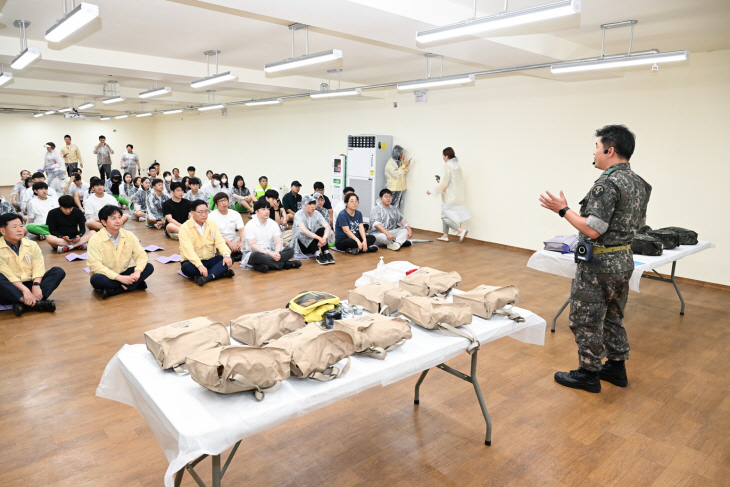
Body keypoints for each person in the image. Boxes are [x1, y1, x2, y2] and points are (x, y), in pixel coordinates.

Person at [539, 125, 652, 393]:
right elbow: (639, 226)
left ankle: (588, 373)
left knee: (585, 319)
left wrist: (562, 210)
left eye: (596, 147)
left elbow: (592, 228)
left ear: (609, 150)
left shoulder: (607, 184)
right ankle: (616, 367)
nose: (594, 152)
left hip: (599, 266)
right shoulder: (640, 184)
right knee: (613, 316)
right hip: (624, 261)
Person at [0, 213, 65, 316]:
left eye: (21, 226)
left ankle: (25, 304)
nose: (20, 229)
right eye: (14, 227)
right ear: (3, 231)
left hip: (30, 283)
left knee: (58, 271)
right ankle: (37, 303)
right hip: (11, 287)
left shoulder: (32, 244)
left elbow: (38, 266)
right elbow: (7, 274)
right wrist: (25, 291)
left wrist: (36, 285)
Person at [87, 205, 154, 299]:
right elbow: (95, 265)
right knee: (96, 279)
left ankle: (118, 289)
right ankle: (135, 284)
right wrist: (120, 278)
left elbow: (141, 255)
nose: (118, 221)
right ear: (103, 222)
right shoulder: (95, 239)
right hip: (106, 275)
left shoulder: (129, 235)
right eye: (113, 218)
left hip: (123, 272)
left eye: (119, 217)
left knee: (148, 267)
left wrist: (137, 273)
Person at [178, 199, 234, 286]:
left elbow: (220, 242)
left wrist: (226, 255)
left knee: (229, 259)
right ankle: (218, 273)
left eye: (206, 211)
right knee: (186, 268)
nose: (204, 215)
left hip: (210, 259)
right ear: (192, 213)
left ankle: (206, 277)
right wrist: (199, 265)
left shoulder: (212, 224)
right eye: (200, 212)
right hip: (193, 262)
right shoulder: (184, 228)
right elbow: (188, 250)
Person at [243, 199, 300, 273]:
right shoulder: (250, 225)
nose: (267, 211)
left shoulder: (273, 223)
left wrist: (276, 252)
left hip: (272, 251)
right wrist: (270, 254)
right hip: (257, 253)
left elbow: (278, 241)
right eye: (263, 209)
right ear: (256, 212)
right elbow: (253, 247)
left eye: (268, 209)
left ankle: (263, 266)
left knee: (290, 250)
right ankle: (284, 264)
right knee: (256, 255)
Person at [427, 147, 470, 242]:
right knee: (445, 213)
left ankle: (461, 230)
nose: (442, 157)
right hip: (458, 195)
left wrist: (431, 190)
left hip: (449, 196)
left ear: (446, 156)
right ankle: (445, 235)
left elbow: (443, 184)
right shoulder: (458, 167)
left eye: (443, 155)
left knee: (444, 216)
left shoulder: (447, 166)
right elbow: (452, 181)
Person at [291, 195, 334, 265]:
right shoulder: (298, 215)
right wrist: (319, 238)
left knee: (322, 230)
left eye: (314, 204)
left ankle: (326, 252)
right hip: (302, 246)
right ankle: (317, 254)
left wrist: (324, 238)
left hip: (314, 244)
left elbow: (327, 226)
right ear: (303, 205)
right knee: (303, 232)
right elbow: (304, 231)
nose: (313, 206)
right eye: (310, 204)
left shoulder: (317, 213)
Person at [208, 193, 245, 260]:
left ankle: (233, 253)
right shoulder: (212, 216)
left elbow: (241, 229)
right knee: (212, 248)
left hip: (234, 240)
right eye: (220, 201)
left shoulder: (235, 214)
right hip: (220, 241)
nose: (223, 203)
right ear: (216, 204)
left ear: (228, 202)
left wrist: (241, 241)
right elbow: (215, 234)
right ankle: (232, 253)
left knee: (248, 243)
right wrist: (229, 243)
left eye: (225, 200)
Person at [385, 145, 411, 210]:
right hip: (393, 189)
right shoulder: (390, 163)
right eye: (401, 153)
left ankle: (396, 220)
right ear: (397, 153)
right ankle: (390, 220)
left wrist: (404, 162)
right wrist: (403, 166)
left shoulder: (400, 161)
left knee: (397, 207)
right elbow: (395, 174)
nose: (403, 154)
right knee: (391, 207)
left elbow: (406, 171)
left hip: (400, 188)